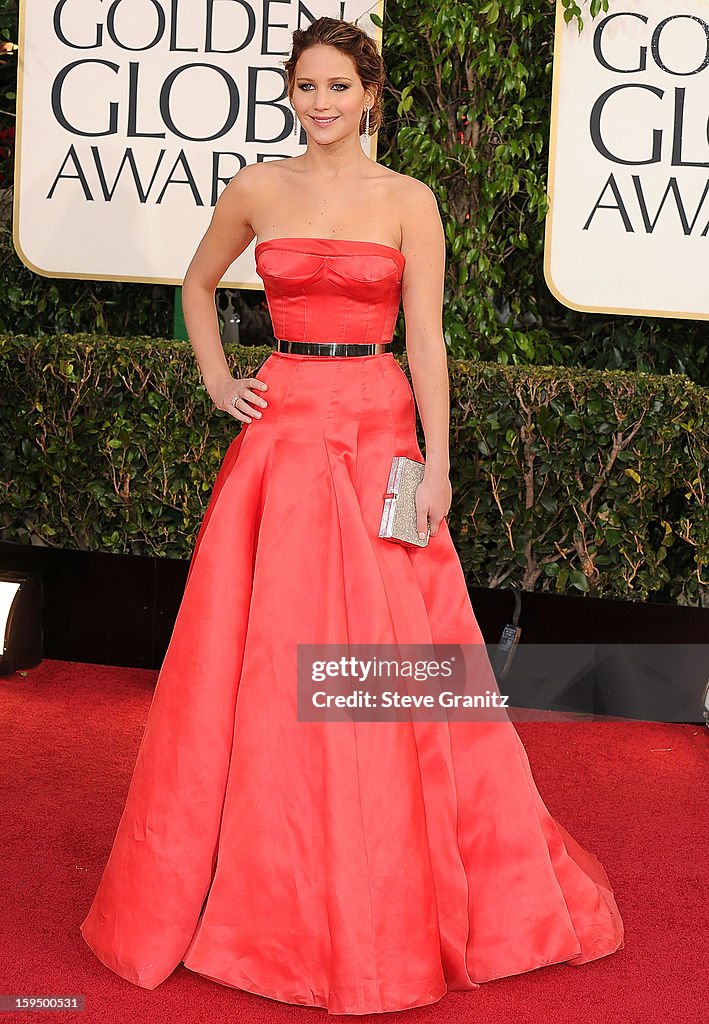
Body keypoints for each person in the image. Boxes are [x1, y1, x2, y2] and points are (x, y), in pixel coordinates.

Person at [80, 16, 624, 1015]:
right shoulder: (257, 187)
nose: (321, 104)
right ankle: (261, 882)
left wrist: (438, 463)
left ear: (371, 95)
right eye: (306, 88)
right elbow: (198, 284)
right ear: (290, 93)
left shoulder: (409, 201)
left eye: (338, 87)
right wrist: (217, 380)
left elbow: (426, 340)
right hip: (282, 435)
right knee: (262, 655)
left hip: (376, 432)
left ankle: (392, 882)